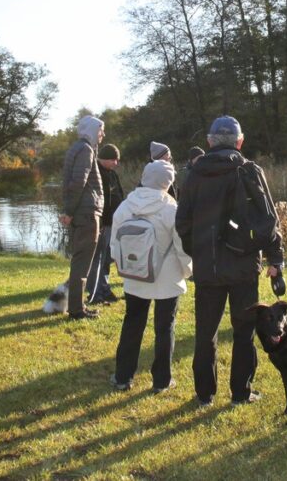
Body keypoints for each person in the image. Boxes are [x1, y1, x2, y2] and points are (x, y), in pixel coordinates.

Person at [176, 116, 283, 406]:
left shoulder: (194, 175)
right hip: (243, 266)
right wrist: (275, 257)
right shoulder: (249, 170)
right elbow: (269, 218)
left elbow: (182, 222)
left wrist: (197, 250)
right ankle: (240, 393)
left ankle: (204, 395)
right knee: (244, 333)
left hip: (208, 267)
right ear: (239, 141)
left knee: (205, 333)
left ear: (210, 142)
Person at [109, 160, 193, 392]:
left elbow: (114, 245)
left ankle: (122, 377)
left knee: (132, 325)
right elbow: (182, 247)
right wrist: (187, 271)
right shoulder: (171, 210)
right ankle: (161, 381)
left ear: (145, 177)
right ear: (168, 183)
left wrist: (125, 268)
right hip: (167, 279)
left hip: (135, 278)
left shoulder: (126, 206)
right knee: (164, 329)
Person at [60, 115, 105, 320]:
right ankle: (77, 310)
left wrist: (69, 210)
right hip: (86, 213)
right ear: (92, 130)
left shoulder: (76, 148)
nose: (102, 134)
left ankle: (77, 306)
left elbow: (74, 182)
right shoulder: (85, 150)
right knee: (82, 262)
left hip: (82, 212)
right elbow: (79, 181)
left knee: (80, 260)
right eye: (100, 130)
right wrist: (69, 211)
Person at [86, 143, 125, 305]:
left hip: (113, 222)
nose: (116, 162)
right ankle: (95, 293)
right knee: (98, 259)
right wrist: (99, 220)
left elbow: (118, 195)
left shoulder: (112, 174)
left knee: (107, 258)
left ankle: (105, 289)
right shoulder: (96, 174)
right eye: (114, 159)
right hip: (102, 223)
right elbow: (95, 200)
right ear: (105, 158)